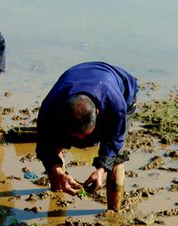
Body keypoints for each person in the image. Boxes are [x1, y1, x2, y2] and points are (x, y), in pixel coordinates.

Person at [35, 61, 138, 212]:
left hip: (120, 88)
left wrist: (101, 170)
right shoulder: (50, 109)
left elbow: (115, 140)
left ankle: (113, 212)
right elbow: (45, 145)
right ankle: (57, 192)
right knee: (54, 144)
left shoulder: (116, 106)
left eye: (85, 135)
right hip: (75, 82)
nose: (81, 142)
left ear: (97, 113)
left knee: (116, 159)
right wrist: (59, 173)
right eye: (75, 136)